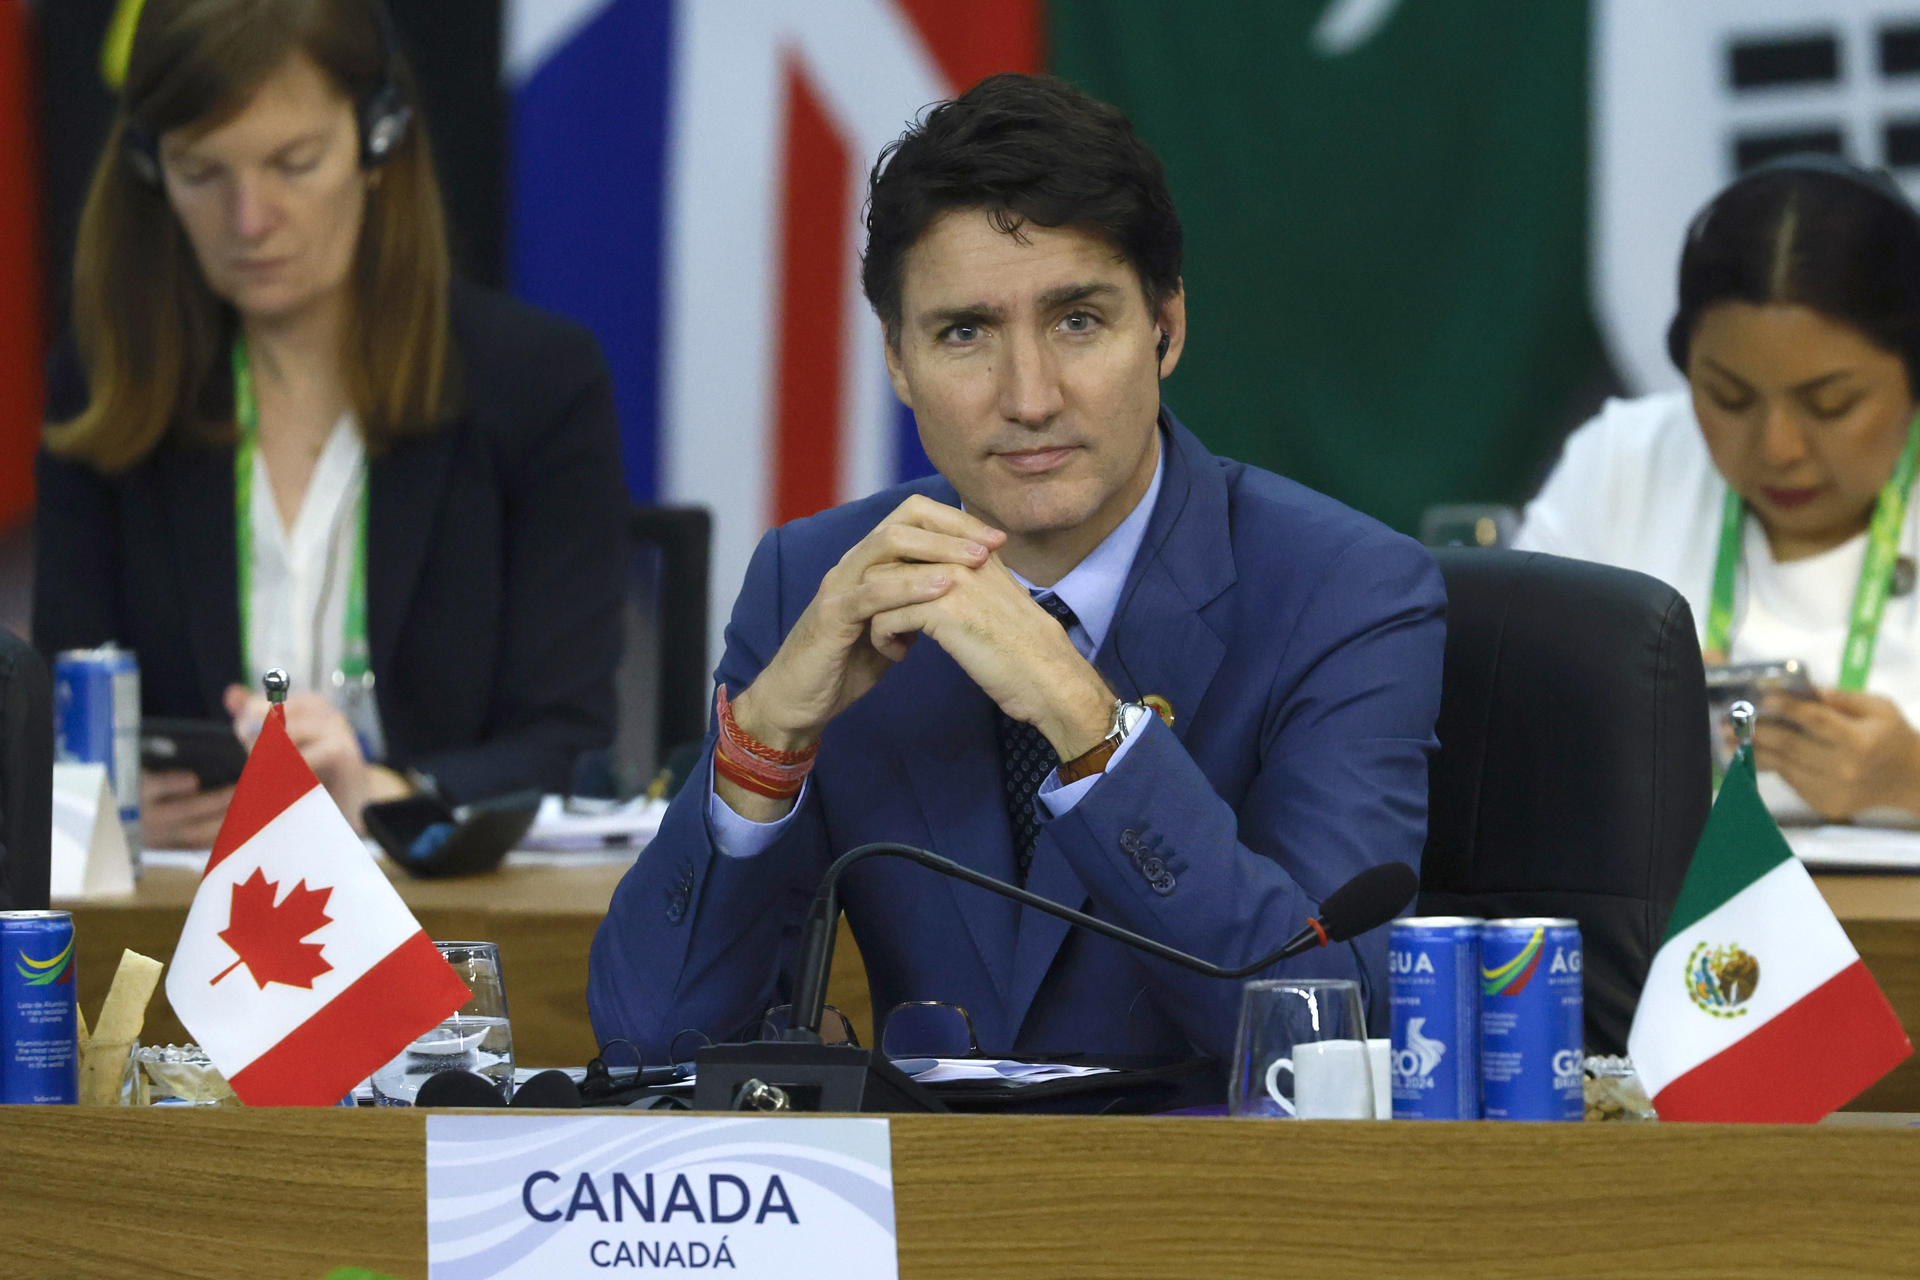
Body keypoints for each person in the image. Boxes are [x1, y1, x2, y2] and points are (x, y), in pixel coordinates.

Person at [588, 73, 1446, 1066]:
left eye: (1078, 320)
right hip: (924, 1205)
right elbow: (649, 1041)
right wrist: (768, 738)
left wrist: (1081, 719)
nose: (1028, 396)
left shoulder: (1348, 591)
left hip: (1219, 1204)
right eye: (965, 333)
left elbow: (1330, 1032)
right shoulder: (814, 578)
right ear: (898, 361)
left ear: (1166, 326)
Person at [33, 0, 625, 848]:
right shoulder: (109, 382)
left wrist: (385, 791)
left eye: (293, 162)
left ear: (379, 141)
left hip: (449, 919)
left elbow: (570, 747)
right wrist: (105, 806)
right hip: (192, 914)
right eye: (201, 174)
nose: (249, 219)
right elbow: (60, 713)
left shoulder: (536, 381)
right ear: (149, 171)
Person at [1518, 155, 1920, 824]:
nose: (1778, 448)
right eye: (1728, 398)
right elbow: (1492, 729)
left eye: (1832, 403)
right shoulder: (1626, 461)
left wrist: (1911, 781)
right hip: (1657, 925)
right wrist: (1618, 728)